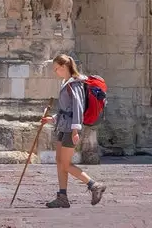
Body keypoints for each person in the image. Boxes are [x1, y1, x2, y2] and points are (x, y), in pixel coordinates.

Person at [41, 54, 106, 208]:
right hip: (63, 126)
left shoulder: (75, 83)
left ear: (64, 67)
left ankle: (94, 185)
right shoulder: (66, 82)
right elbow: (66, 109)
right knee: (59, 161)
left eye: (56, 69)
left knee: (65, 164)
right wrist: (52, 119)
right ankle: (62, 196)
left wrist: (76, 130)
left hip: (70, 128)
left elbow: (77, 108)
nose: (55, 72)